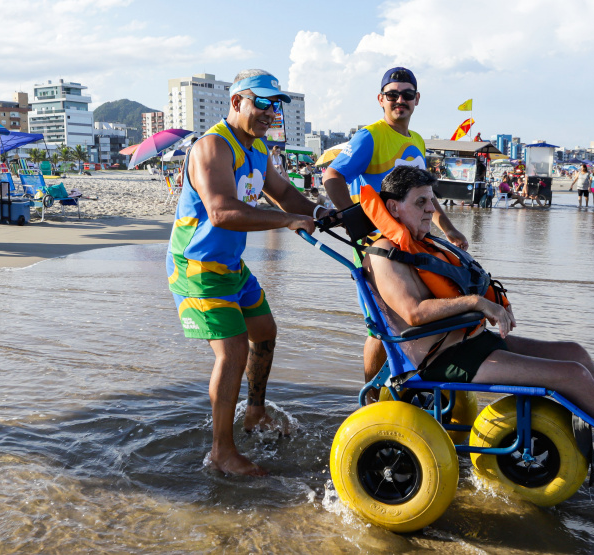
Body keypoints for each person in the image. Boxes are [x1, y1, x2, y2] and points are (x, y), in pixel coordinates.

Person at [362, 166, 594, 478]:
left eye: (433, 200)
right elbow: (412, 313)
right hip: (444, 357)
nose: (432, 210)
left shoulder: (418, 243)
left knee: (575, 353)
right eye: (421, 202)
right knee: (573, 376)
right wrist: (478, 303)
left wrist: (485, 305)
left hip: (466, 342)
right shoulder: (384, 255)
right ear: (393, 207)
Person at [166, 69, 320, 477]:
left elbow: (284, 193)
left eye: (277, 106)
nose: (272, 113)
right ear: (237, 102)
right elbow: (220, 212)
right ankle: (222, 451)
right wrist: (286, 222)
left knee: (264, 331)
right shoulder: (213, 146)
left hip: (231, 265)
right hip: (197, 266)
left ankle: (254, 413)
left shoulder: (257, 147)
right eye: (263, 103)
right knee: (232, 352)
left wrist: (322, 213)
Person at [322, 66, 469, 389]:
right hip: (381, 247)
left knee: (419, 316)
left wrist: (448, 229)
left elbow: (425, 192)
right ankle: (371, 397)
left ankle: (411, 383)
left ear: (417, 99)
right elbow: (332, 176)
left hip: (416, 243)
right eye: (392, 95)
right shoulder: (370, 136)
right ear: (381, 99)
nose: (399, 100)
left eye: (406, 95)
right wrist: (354, 222)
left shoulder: (416, 140)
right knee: (381, 325)